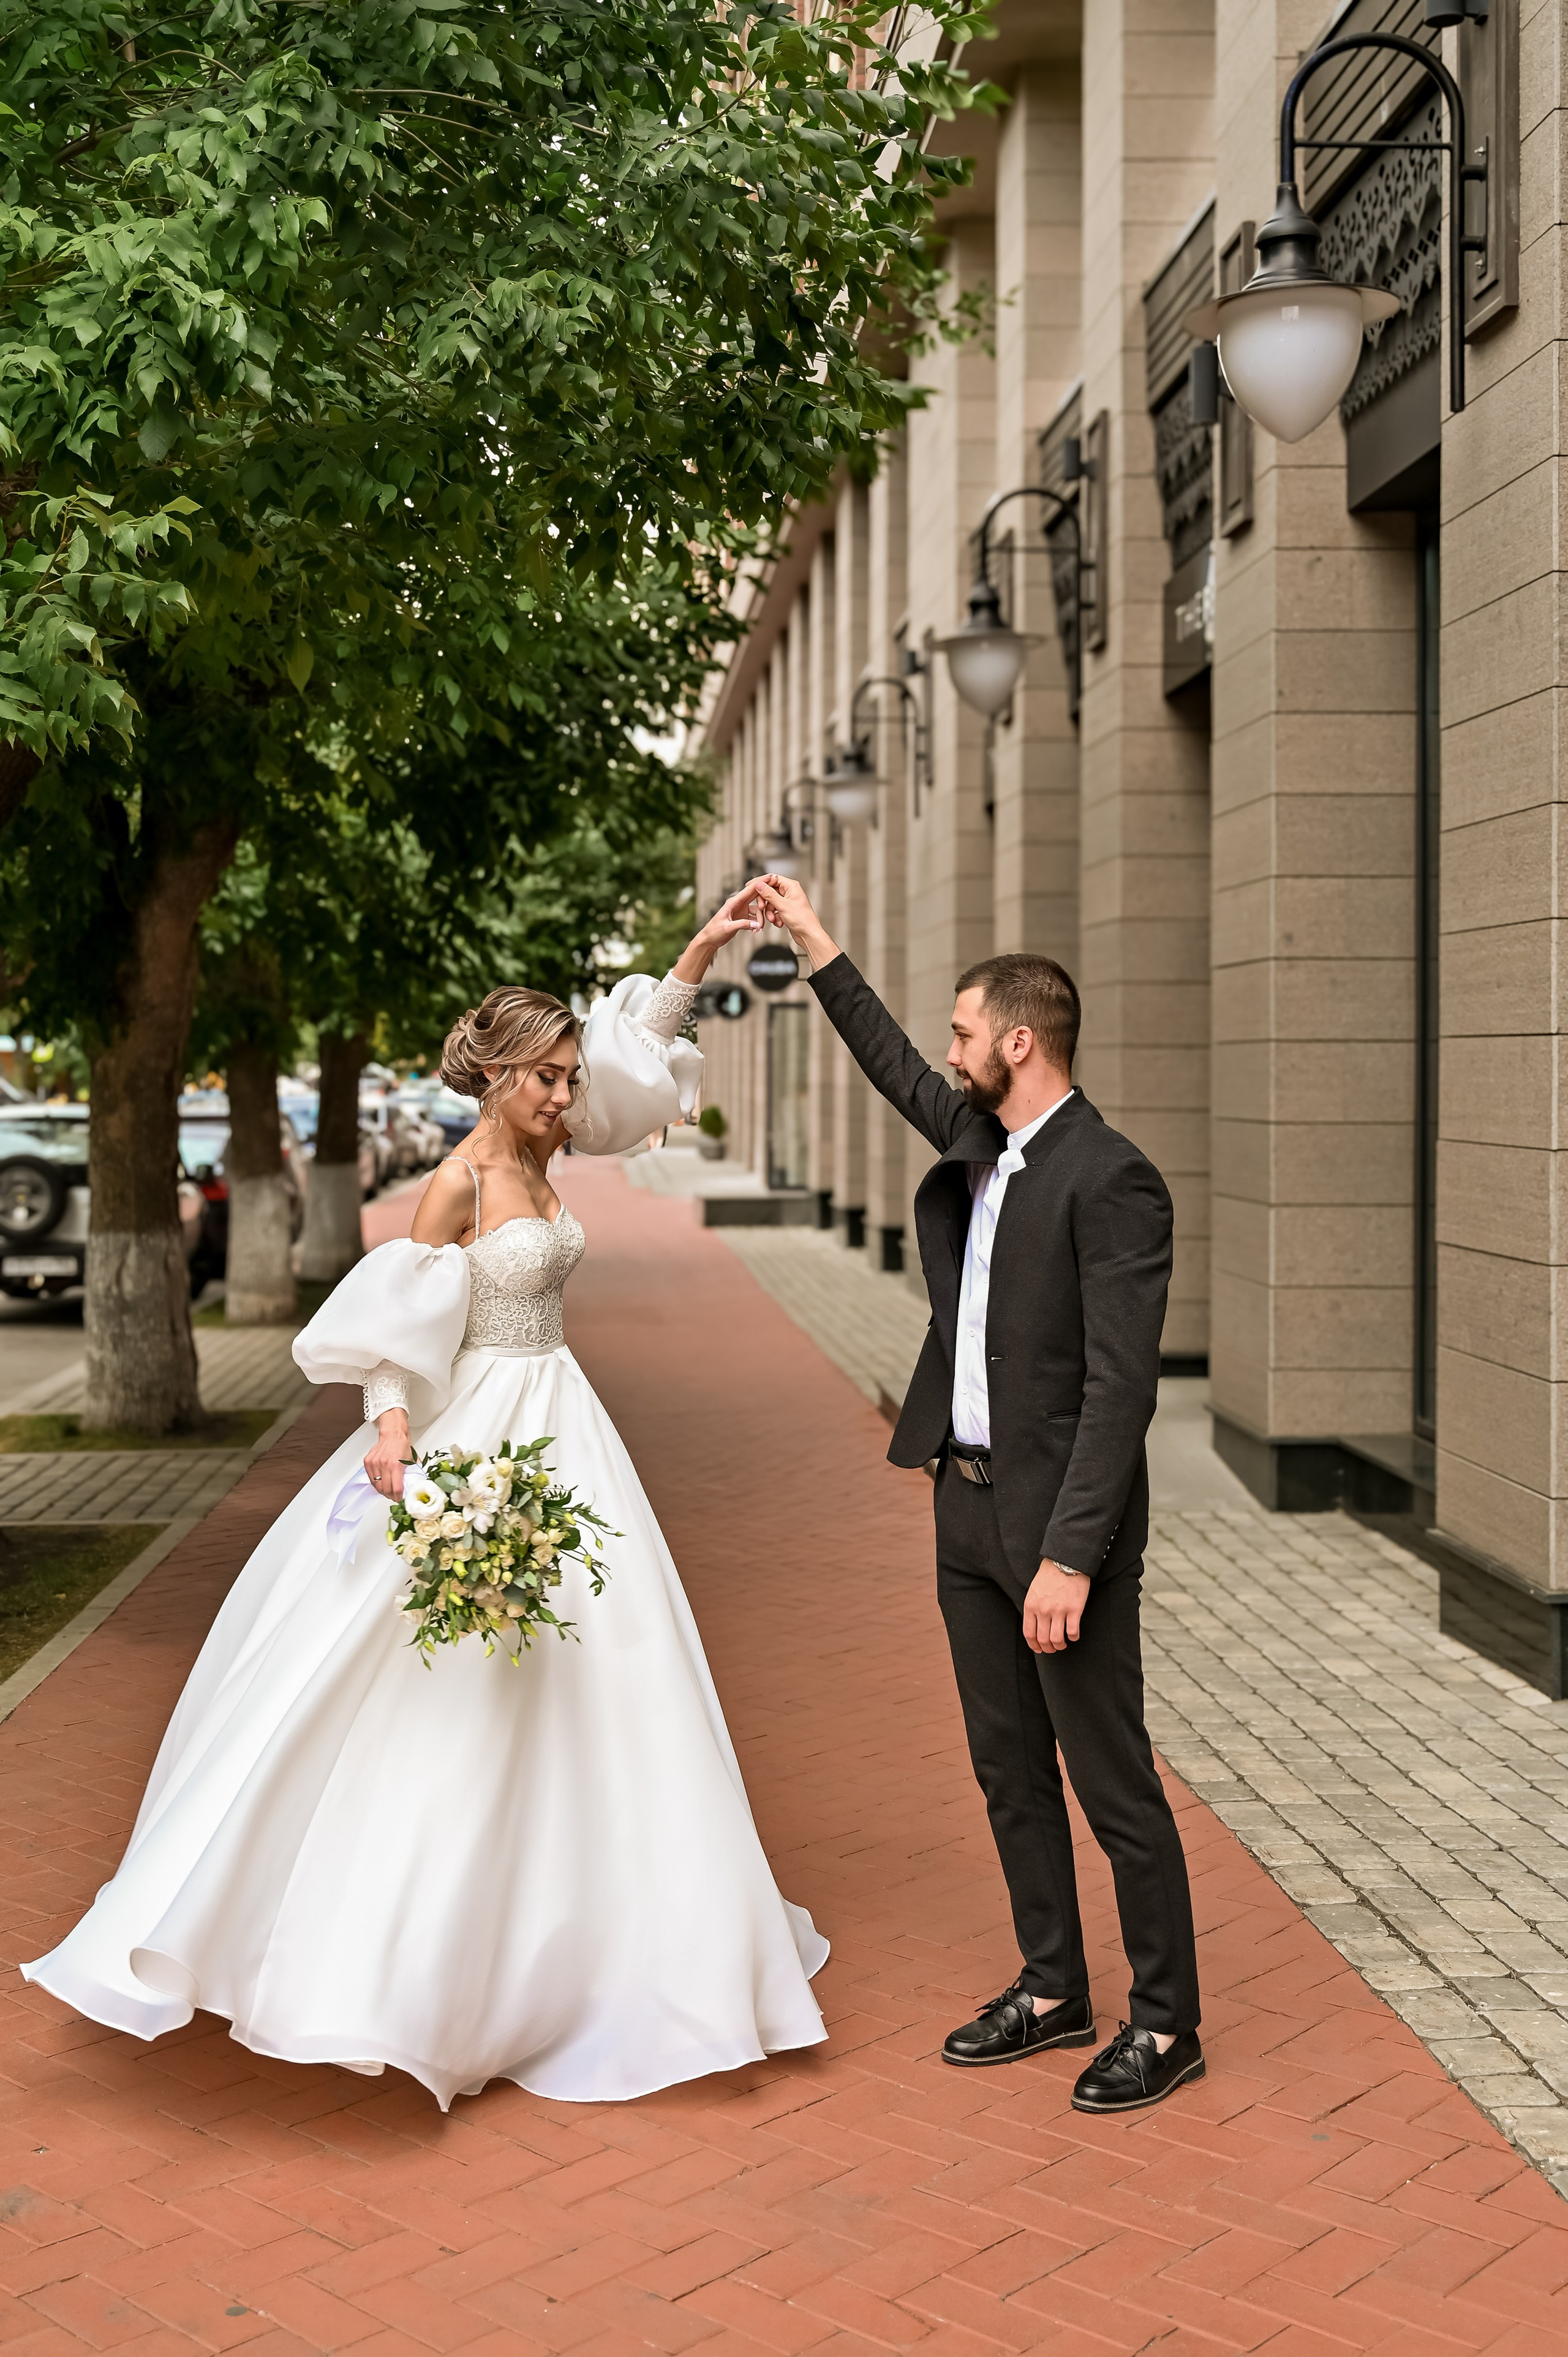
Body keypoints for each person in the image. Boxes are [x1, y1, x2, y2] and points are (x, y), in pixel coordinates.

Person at [23, 889, 828, 2111]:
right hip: (475, 1431)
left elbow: (637, 1084)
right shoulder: (454, 1181)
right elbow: (398, 1325)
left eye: (567, 1075)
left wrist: (695, 956)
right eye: (545, 1078)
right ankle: (411, 1958)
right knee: (451, 1668)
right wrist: (392, 1431)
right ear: (496, 1077)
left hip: (567, 1421)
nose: (565, 1096)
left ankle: (624, 1936)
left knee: (609, 1660)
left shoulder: (561, 1143)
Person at [753, 873, 1202, 2116]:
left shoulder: (1112, 1178)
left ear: (1018, 1040)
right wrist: (807, 937)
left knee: (1108, 1777)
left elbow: (1120, 1391)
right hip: (962, 1509)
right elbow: (892, 1062)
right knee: (1007, 1767)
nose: (945, 1054)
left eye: (963, 1033)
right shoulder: (981, 1145)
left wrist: (1069, 1554)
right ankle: (1053, 1985)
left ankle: (1165, 2021)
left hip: (1059, 1531)